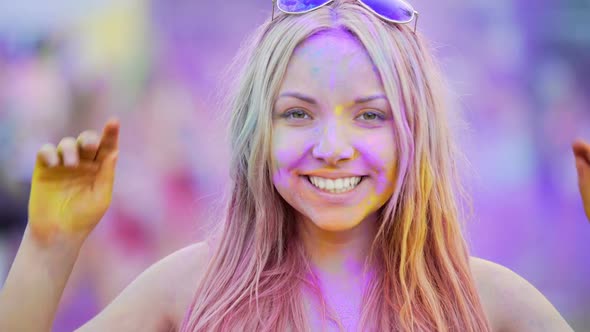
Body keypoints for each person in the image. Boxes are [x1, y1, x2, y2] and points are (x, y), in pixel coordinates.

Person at [0, 0, 585, 331]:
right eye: (299, 115)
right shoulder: (194, 291)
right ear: (258, 132)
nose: (332, 145)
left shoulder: (485, 302)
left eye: (370, 116)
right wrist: (49, 250)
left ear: (416, 134)